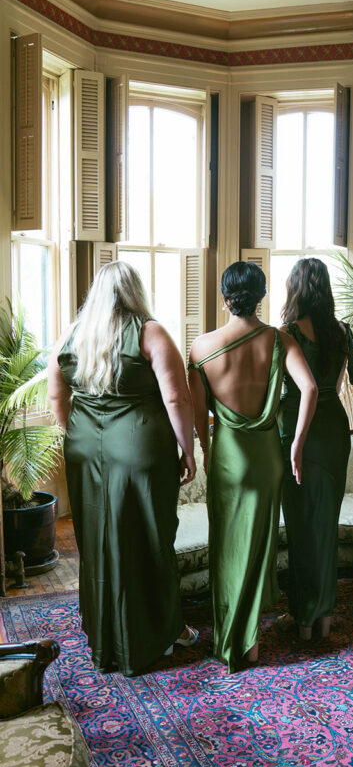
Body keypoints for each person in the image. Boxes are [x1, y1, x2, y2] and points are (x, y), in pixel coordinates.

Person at [47, 261, 198, 677]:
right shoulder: (149, 332)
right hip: (139, 449)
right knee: (149, 539)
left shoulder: (73, 334)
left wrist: (77, 432)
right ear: (134, 291)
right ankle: (161, 633)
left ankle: (104, 634)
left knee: (96, 542)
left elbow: (56, 395)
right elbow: (177, 400)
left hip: (83, 450)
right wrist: (188, 450)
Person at [188, 261, 317, 671]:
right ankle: (252, 642)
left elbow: (196, 414)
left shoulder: (201, 347)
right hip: (267, 459)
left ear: (225, 297)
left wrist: (206, 450)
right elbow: (310, 388)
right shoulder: (279, 340)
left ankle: (231, 639)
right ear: (261, 296)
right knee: (258, 551)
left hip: (229, 459)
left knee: (228, 551)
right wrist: (296, 444)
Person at [279, 257, 353, 641]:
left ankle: (305, 621)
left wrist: (294, 439)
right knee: (326, 525)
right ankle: (323, 617)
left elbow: (291, 386)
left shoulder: (288, 332)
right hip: (334, 429)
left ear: (296, 288)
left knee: (301, 526)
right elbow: (337, 384)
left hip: (298, 430)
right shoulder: (344, 331)